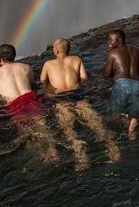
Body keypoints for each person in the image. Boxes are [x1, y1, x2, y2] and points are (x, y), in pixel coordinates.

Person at [40, 38, 119, 169]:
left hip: (60, 98)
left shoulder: (48, 64)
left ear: (56, 50)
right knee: (97, 124)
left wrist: (49, 92)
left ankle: (82, 158)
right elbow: (84, 78)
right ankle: (113, 151)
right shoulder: (76, 59)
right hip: (78, 95)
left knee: (68, 130)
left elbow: (43, 82)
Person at [0, 43, 58, 163]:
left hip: (14, 103)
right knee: (42, 125)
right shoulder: (26, 67)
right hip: (31, 97)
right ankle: (53, 150)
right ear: (14, 56)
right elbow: (33, 86)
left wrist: (0, 100)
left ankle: (40, 156)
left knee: (25, 131)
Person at [103, 29, 139, 138]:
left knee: (114, 115)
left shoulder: (112, 53)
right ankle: (132, 126)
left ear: (119, 39)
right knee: (134, 109)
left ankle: (128, 122)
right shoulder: (136, 50)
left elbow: (106, 75)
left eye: (111, 40)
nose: (109, 43)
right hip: (137, 84)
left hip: (122, 84)